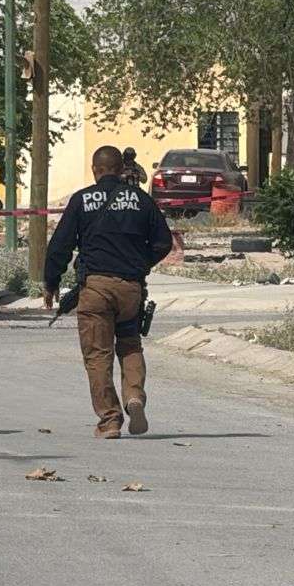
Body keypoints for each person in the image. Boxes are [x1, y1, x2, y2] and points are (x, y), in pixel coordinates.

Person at [43, 145, 174, 438]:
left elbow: (60, 246)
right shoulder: (141, 200)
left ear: (95, 170)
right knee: (130, 345)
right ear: (121, 169)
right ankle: (134, 397)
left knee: (98, 355)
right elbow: (163, 242)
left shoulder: (81, 200)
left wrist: (51, 283)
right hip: (130, 288)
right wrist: (140, 263)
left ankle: (110, 419)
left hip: (95, 288)